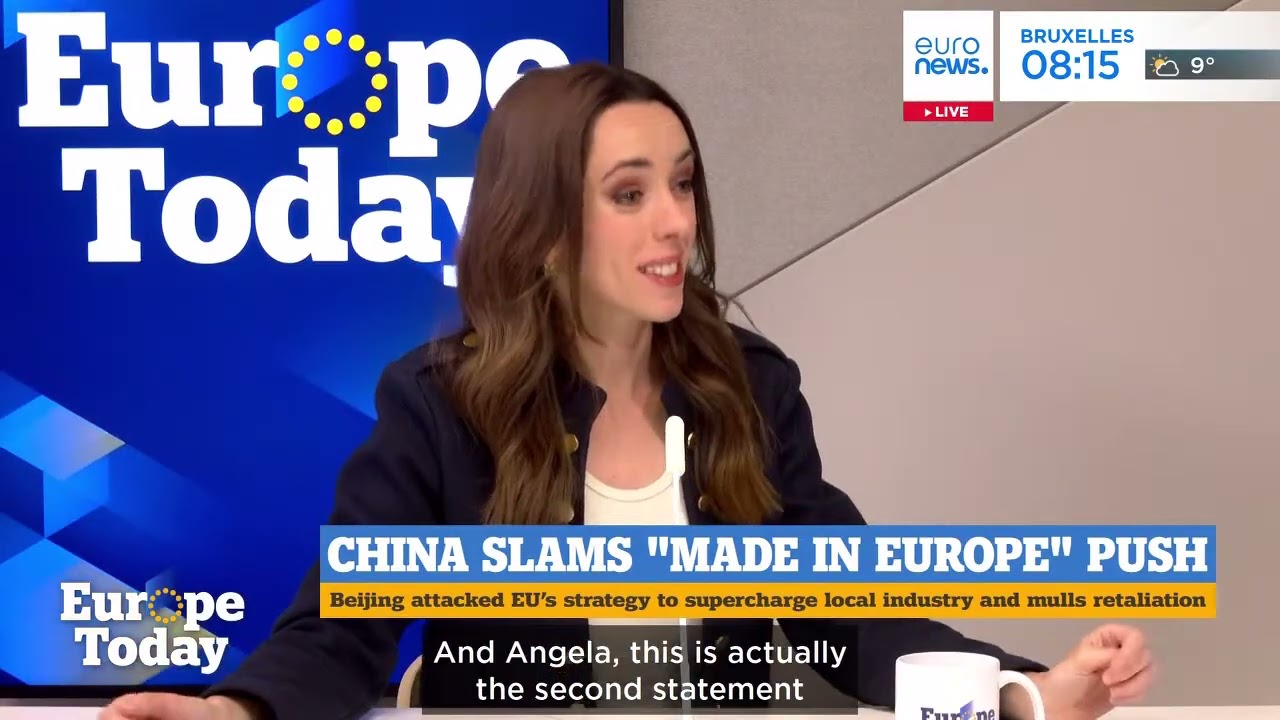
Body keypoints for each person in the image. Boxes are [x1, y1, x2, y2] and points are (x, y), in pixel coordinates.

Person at [99, 61, 1156, 720]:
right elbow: (341, 627)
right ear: (543, 225)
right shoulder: (437, 405)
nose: (675, 222)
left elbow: (850, 610)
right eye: (629, 194)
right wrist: (236, 712)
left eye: (682, 183)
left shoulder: (749, 388)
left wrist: (1023, 690)